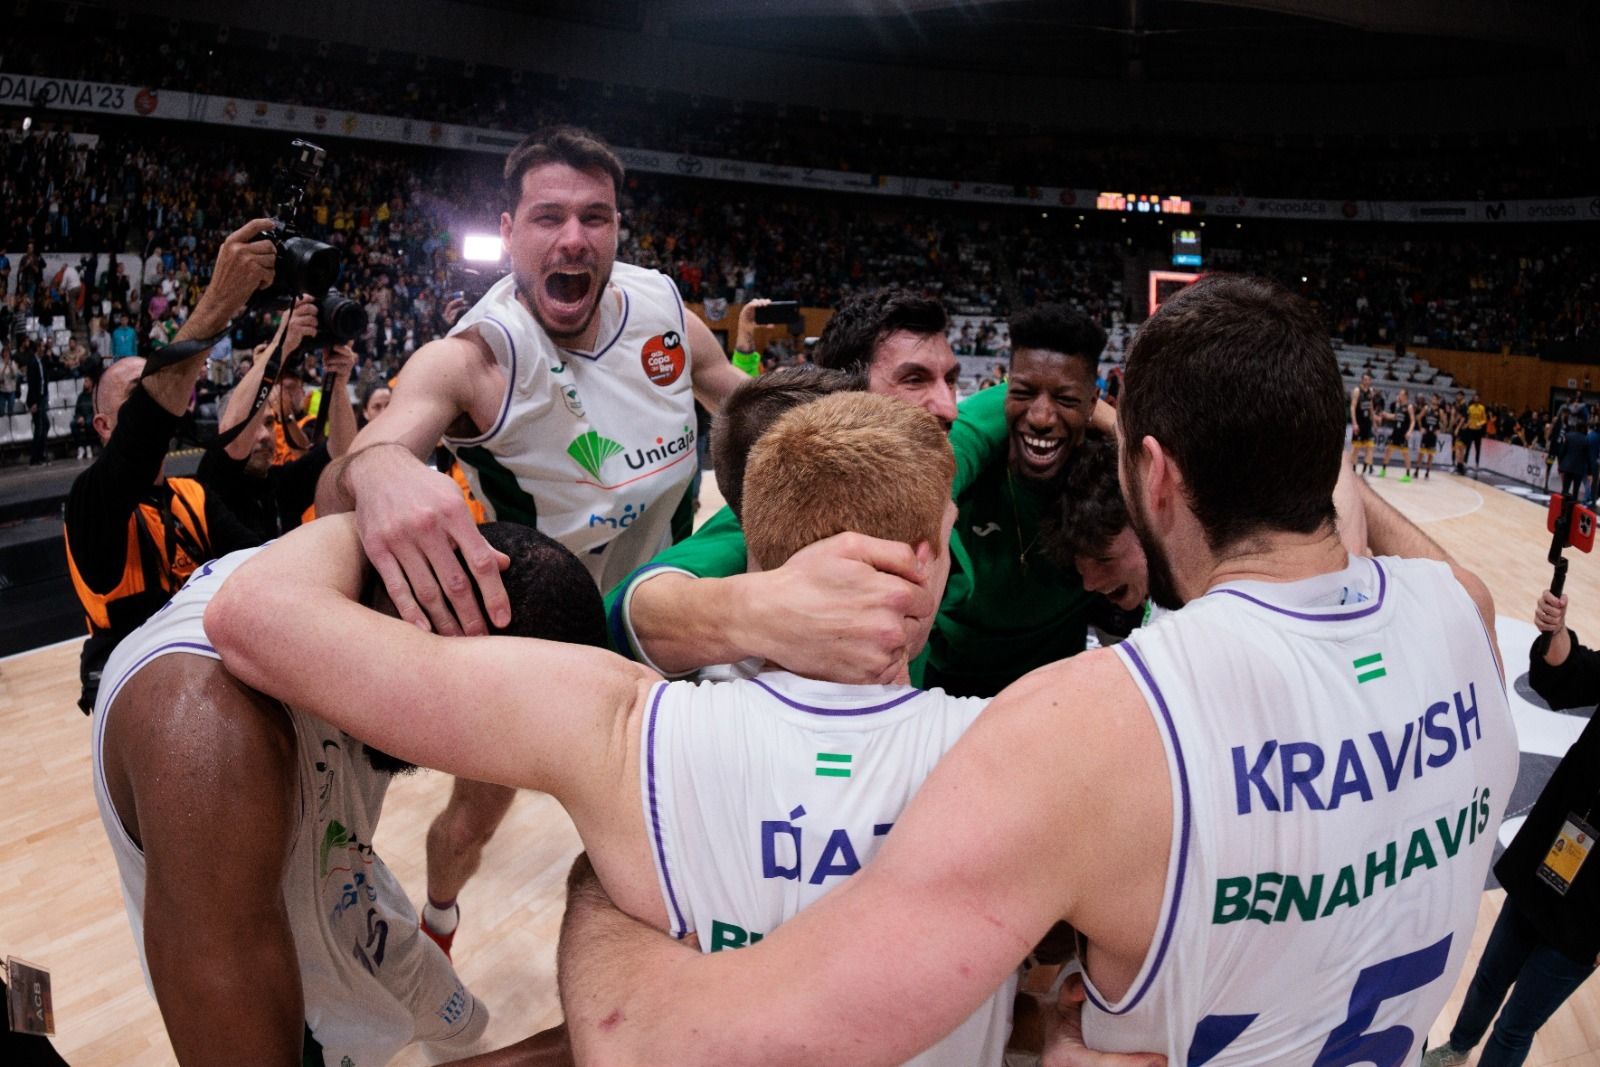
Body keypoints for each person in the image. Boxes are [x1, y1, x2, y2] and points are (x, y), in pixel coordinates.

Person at [554, 274, 1519, 1067]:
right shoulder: (1461, 613)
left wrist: (595, 902)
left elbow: (683, 1043)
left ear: (1154, 476)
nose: (943, 407)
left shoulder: (1091, 728)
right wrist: (752, 606)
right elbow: (650, 597)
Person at [208, 392, 1133, 1067]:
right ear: (929, 557)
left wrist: (376, 475)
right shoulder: (1024, 748)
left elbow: (252, 612)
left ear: (758, 547)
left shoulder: (620, 725)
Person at [312, 125, 747, 955]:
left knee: (675, 824)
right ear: (507, 232)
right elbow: (355, 468)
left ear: (619, 227)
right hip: (539, 643)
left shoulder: (661, 309)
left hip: (662, 625)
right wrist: (376, 470)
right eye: (548, 216)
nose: (574, 238)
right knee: (473, 820)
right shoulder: (475, 355)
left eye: (596, 216)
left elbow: (741, 402)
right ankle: (437, 916)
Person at [91, 521, 600, 1066]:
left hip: (342, 878)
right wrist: (581, 1051)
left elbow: (350, 470)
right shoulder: (207, 738)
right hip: (288, 971)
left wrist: (372, 465)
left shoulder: (366, 569)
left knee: (458, 1022)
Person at [604, 291, 1110, 695]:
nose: (948, 407)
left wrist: (1115, 421)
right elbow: (631, 609)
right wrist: (753, 611)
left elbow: (1019, 396)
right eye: (914, 380)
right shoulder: (805, 499)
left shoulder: (950, 453)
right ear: (845, 402)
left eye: (951, 380)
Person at [63, 219, 274, 713]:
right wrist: (219, 300)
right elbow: (141, 437)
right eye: (137, 393)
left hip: (209, 691)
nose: (156, 400)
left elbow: (259, 564)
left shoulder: (192, 496)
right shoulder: (89, 500)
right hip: (137, 709)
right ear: (103, 425)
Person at [1421, 588, 1600, 1067]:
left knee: (1514, 1028)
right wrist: (1556, 633)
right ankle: (1455, 1049)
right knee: (1488, 977)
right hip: (1547, 857)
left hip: (1590, 913)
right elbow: (1569, 681)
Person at [1379, 388, 1415, 480]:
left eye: (1401, 394)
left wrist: (1410, 431)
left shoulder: (1409, 407)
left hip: (1403, 434)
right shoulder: (1398, 406)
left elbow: (1413, 421)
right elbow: (1395, 417)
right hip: (1395, 433)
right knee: (1388, 451)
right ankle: (1383, 470)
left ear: (1405, 396)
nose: (1399, 395)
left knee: (1405, 454)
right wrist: (1386, 415)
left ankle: (1407, 475)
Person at [24, 337, 48, 466]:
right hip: (35, 399)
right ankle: (35, 458)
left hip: (42, 398)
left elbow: (44, 380)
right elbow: (32, 384)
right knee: (39, 428)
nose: (44, 349)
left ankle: (41, 454)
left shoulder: (41, 361)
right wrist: (33, 403)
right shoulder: (32, 362)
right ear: (38, 348)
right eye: (42, 347)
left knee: (45, 425)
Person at [1350, 371, 1378, 474]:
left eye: (1368, 380)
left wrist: (1374, 422)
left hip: (1368, 423)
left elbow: (1371, 407)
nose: (1367, 381)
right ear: (1362, 380)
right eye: (1365, 379)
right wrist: (1354, 423)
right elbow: (1352, 407)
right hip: (1359, 422)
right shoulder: (1357, 390)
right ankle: (1352, 469)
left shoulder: (1370, 391)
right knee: (1356, 448)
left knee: (1370, 446)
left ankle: (1366, 468)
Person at [1418, 394, 1444, 479]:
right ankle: (1417, 470)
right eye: (1432, 398)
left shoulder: (1440, 411)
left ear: (1438, 401)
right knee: (1421, 453)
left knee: (1430, 454)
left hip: (1433, 434)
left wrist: (1439, 430)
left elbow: (1443, 422)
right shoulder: (1426, 408)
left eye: (1435, 399)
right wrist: (1421, 427)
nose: (1433, 400)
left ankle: (1427, 472)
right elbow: (1418, 417)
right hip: (1426, 433)